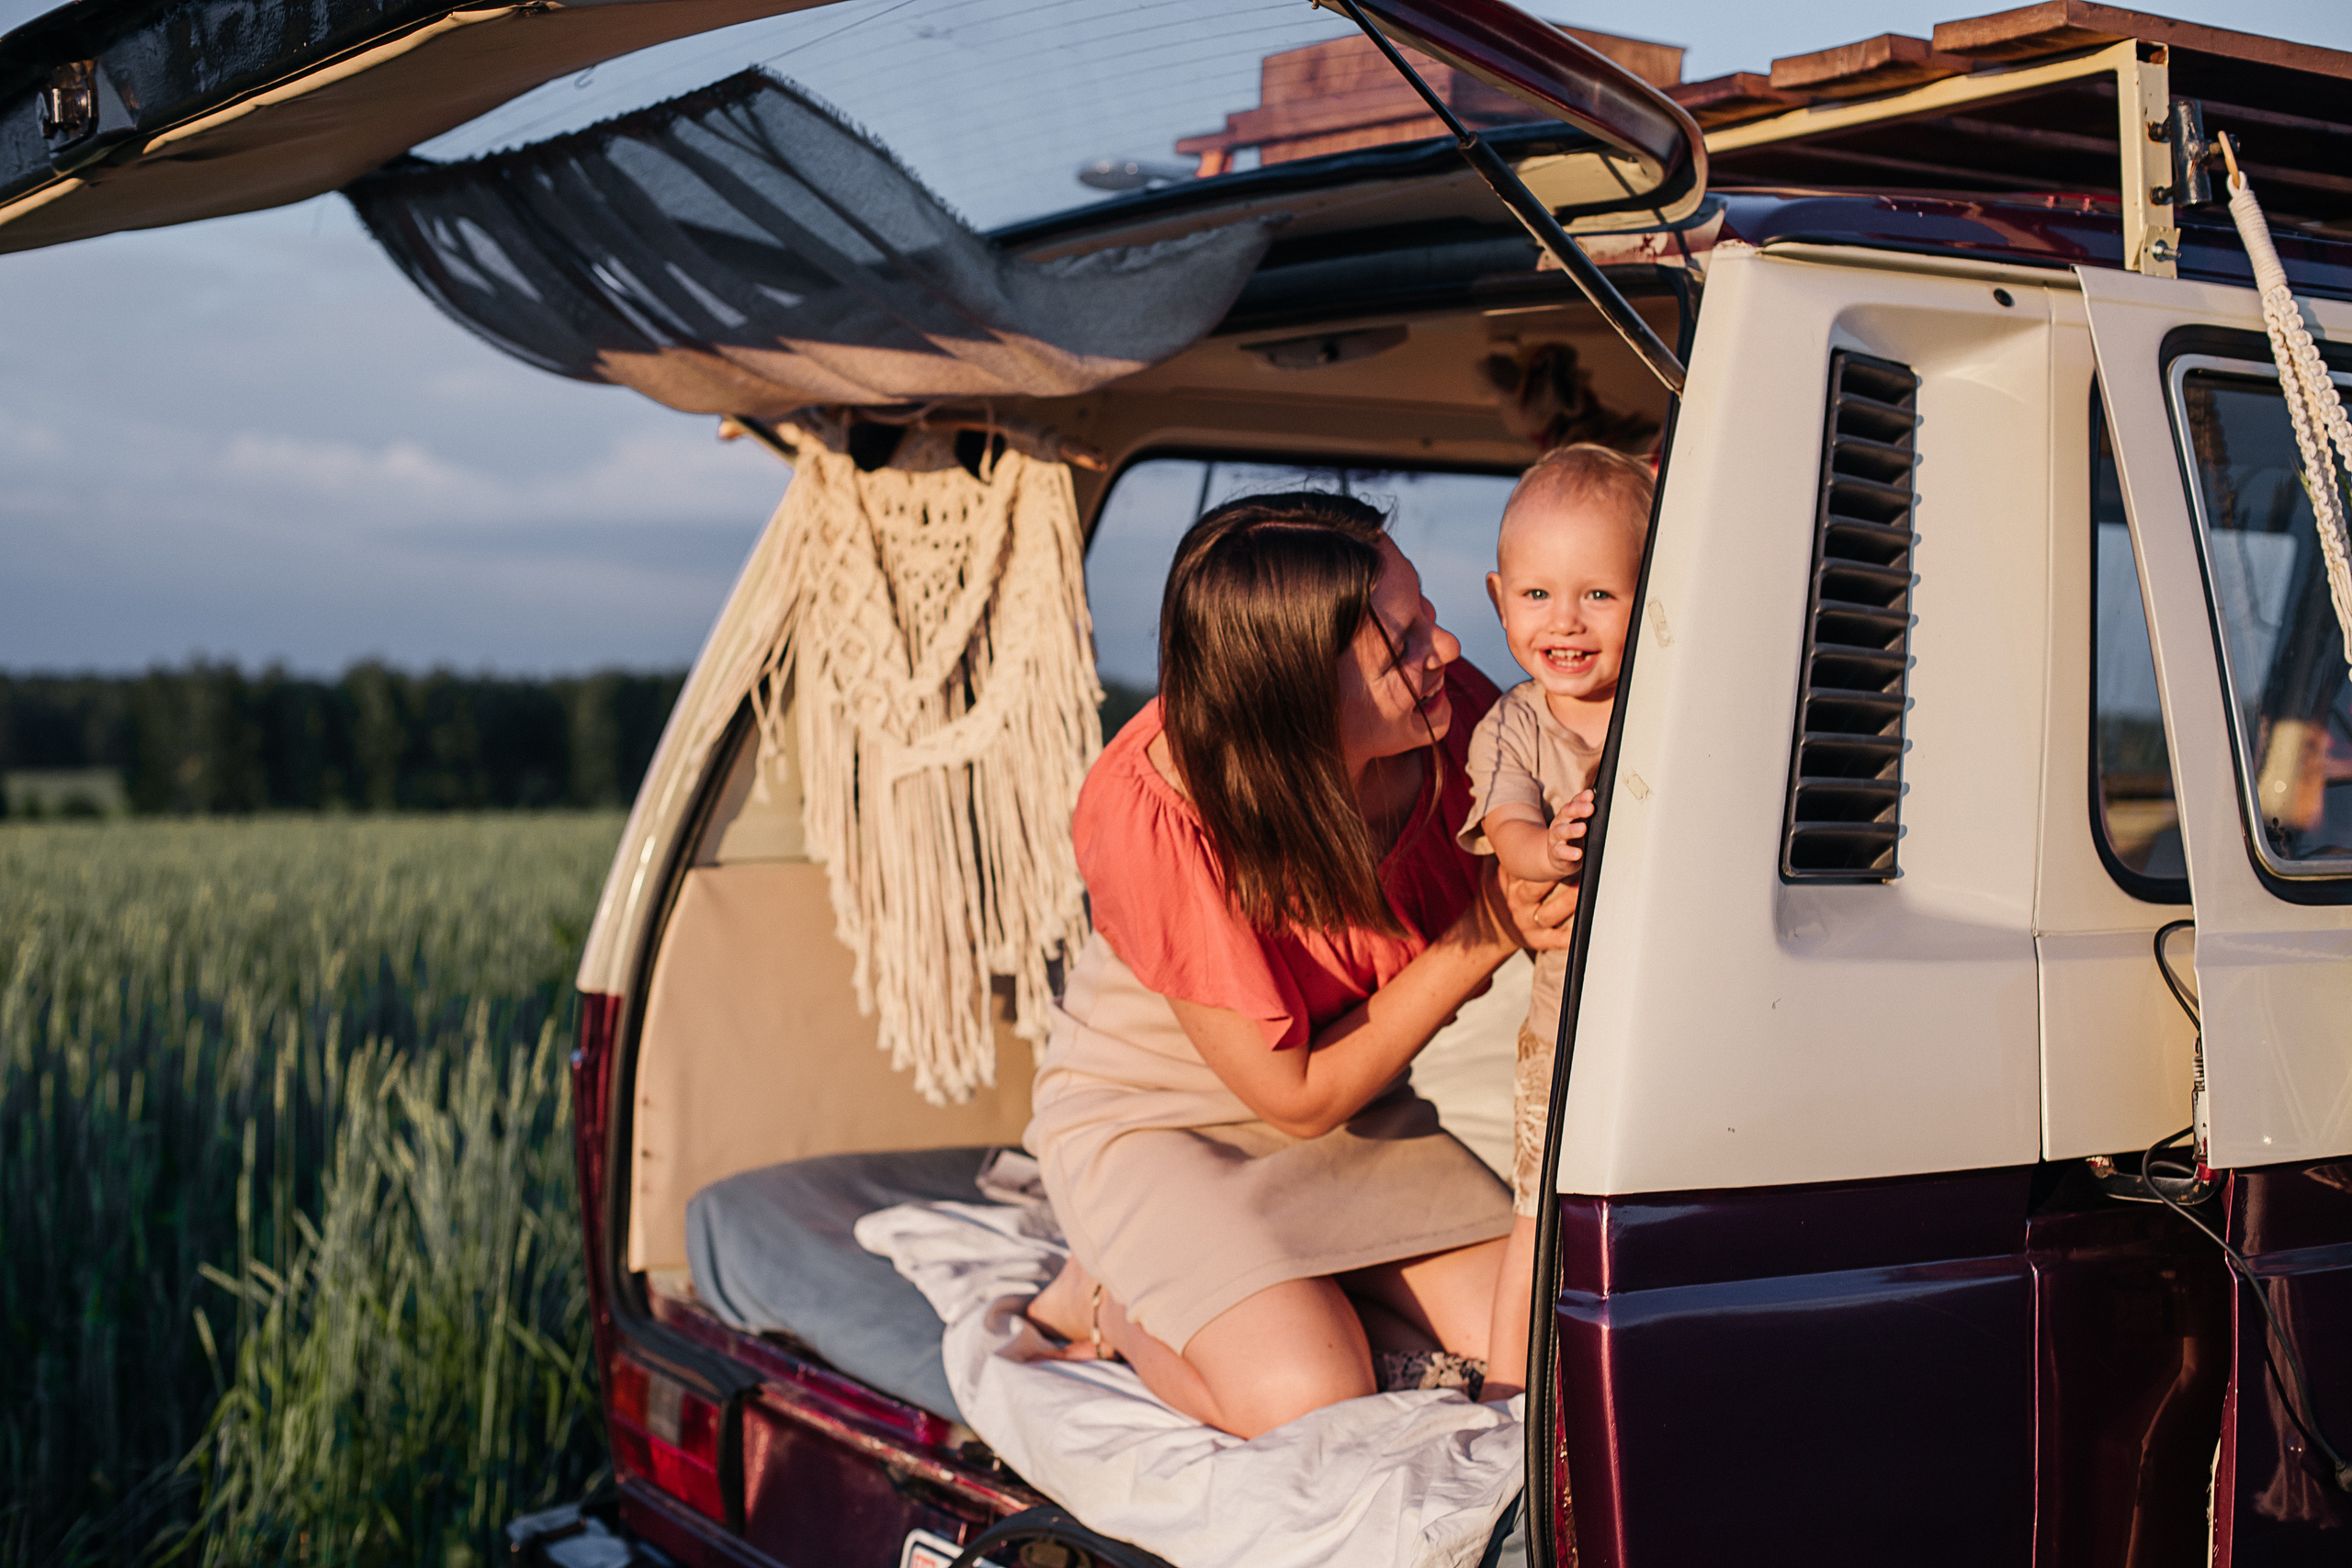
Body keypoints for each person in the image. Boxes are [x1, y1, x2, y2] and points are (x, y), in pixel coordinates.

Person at [1022, 491, 1586, 1438]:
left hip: (1358, 1116)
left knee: (1549, 1356)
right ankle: (1116, 1299)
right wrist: (1489, 926)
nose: (1443, 652)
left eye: (1427, 616)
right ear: (1297, 693)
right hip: (1161, 1117)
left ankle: (1264, 1298)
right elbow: (1293, 1094)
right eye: (1399, 646)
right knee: (1310, 1393)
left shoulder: (1469, 732)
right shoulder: (1155, 806)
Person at [1459, 444, 1651, 1402]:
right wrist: (1558, 843)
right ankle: (1505, 1391)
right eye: (1535, 596)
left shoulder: (1664, 712)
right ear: (1498, 599)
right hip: (1565, 1033)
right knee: (1539, 1214)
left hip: (1663, 1023)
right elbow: (1510, 834)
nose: (1563, 622)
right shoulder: (1514, 727)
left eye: (1598, 597)